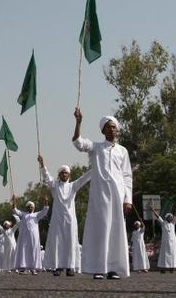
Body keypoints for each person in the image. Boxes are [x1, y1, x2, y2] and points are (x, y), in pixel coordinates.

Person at [72, 108, 133, 279]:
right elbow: (77, 142)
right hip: (100, 197)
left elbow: (127, 176)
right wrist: (78, 122)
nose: (111, 129)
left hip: (117, 196)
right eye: (107, 127)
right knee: (100, 230)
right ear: (103, 131)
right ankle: (98, 268)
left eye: (113, 127)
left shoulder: (123, 151)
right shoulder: (96, 148)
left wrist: (128, 199)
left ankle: (113, 269)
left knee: (115, 232)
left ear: (117, 129)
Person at [39, 155, 90, 276]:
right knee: (57, 242)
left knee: (71, 242)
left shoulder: (73, 186)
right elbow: (46, 176)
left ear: (69, 175)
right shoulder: (54, 185)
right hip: (57, 219)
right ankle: (57, 267)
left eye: (66, 173)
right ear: (59, 175)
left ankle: (70, 267)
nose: (64, 175)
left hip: (70, 220)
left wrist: (95, 166)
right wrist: (42, 164)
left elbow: (84, 178)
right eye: (62, 173)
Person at [12, 198, 49, 274]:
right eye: (28, 206)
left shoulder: (36, 215)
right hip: (24, 236)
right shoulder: (23, 214)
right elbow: (15, 210)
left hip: (34, 237)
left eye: (31, 206)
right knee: (24, 251)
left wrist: (45, 203)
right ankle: (24, 268)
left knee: (33, 251)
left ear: (34, 208)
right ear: (26, 208)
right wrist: (14, 202)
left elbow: (44, 211)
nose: (30, 208)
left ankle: (33, 268)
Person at [154, 204, 176, 273]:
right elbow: (158, 216)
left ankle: (172, 268)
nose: (170, 218)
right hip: (165, 242)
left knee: (173, 254)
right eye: (168, 217)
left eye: (171, 217)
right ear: (166, 218)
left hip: (173, 242)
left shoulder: (173, 223)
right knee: (164, 255)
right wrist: (153, 210)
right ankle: (163, 269)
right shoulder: (163, 223)